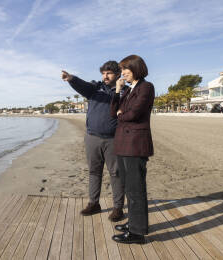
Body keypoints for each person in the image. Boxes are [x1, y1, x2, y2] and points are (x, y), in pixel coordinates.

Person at [61, 61, 126, 222]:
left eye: (109, 73)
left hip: (114, 139)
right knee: (93, 172)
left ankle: (118, 208)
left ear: (118, 74)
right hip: (92, 138)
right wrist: (71, 78)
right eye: (103, 73)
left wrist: (118, 89)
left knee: (116, 173)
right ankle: (94, 203)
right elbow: (83, 86)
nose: (105, 76)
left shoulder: (125, 91)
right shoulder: (95, 88)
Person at [110, 55, 154, 244]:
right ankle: (133, 224)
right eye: (121, 70)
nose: (123, 73)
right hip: (123, 144)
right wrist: (118, 91)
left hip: (135, 144)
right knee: (129, 188)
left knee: (136, 190)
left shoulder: (146, 87)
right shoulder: (128, 90)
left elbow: (134, 113)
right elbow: (114, 112)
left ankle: (137, 234)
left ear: (135, 68)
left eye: (125, 69)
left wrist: (121, 114)